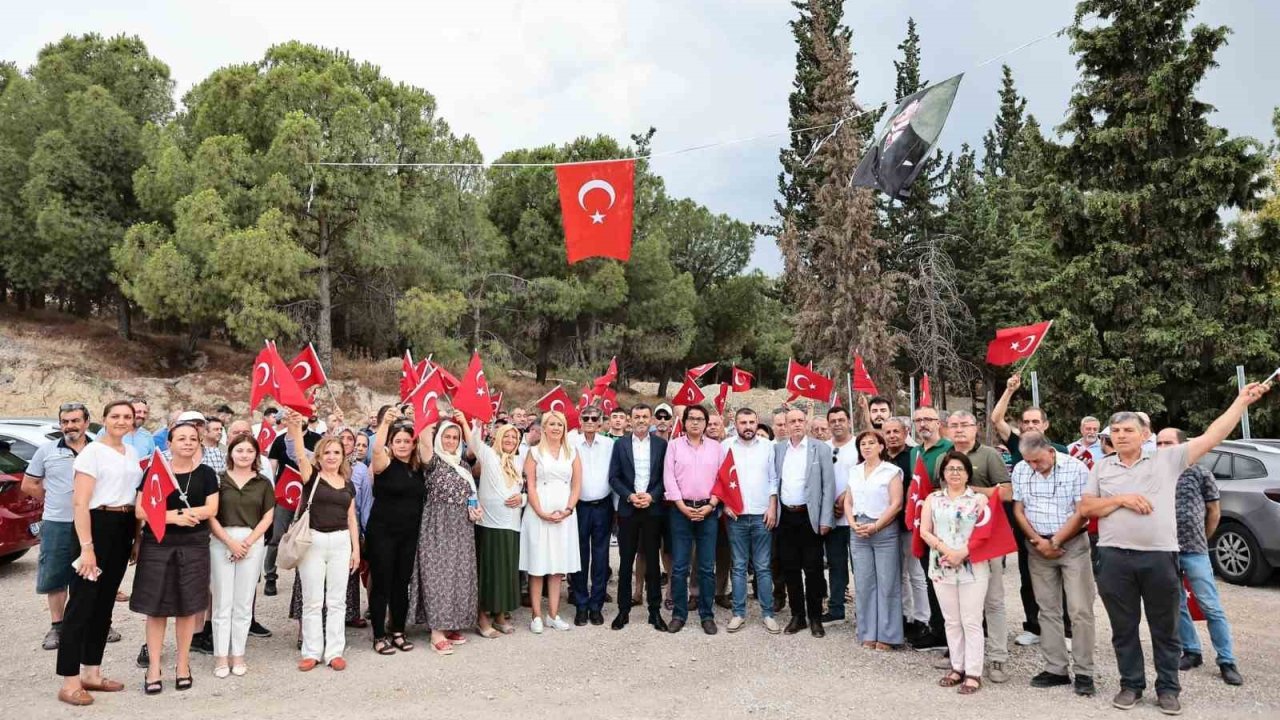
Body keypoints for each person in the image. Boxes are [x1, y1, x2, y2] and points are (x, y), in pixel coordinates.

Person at [1079, 383, 1268, 714]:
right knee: (1123, 629)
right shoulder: (1102, 467)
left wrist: (1240, 402)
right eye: (1117, 431)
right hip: (1113, 558)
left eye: (1128, 430)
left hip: (1159, 558)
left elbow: (1212, 436)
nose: (1121, 436)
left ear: (1144, 435)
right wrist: (1121, 499)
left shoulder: (1167, 460)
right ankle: (1130, 685)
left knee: (1165, 628)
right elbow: (1086, 508)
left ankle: (1168, 688)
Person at [53, 401, 142, 706]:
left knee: (104, 605)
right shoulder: (92, 453)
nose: (121, 421)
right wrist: (87, 548)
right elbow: (80, 503)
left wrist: (136, 537)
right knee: (81, 604)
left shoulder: (131, 453)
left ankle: (92, 672)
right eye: (115, 416)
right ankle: (69, 681)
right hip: (95, 526)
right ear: (103, 420)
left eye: (127, 417)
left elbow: (134, 498)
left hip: (123, 525)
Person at [130, 420, 218, 694]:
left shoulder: (206, 473)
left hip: (193, 545)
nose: (188, 443)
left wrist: (193, 515)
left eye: (193, 438)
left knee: (187, 606)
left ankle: (183, 664)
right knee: (156, 608)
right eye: (181, 438)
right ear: (169, 443)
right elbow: (141, 510)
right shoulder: (156, 471)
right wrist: (175, 517)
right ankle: (154, 667)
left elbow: (212, 507)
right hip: (158, 544)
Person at [23, 402, 117, 650]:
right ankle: (57, 627)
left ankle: (98, 622)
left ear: (87, 422)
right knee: (55, 574)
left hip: (96, 521)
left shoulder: (101, 449)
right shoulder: (47, 451)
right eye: (65, 421)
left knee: (95, 573)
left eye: (75, 420)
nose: (69, 426)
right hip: (58, 523)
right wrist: (54, 499)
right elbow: (29, 484)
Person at [1011, 431, 1097, 697]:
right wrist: (1038, 540)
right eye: (1029, 462)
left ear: (1049, 451)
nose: (1033, 467)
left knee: (1080, 609)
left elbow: (1082, 511)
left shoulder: (1076, 468)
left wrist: (1057, 540)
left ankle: (1084, 672)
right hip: (1038, 547)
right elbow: (1018, 509)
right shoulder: (1022, 469)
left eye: (1037, 461)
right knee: (1047, 610)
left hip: (1072, 545)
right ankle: (1056, 668)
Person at [1156, 428, 1243, 686]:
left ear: (1182, 446)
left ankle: (1227, 660)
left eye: (1168, 443)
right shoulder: (1155, 474)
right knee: (1176, 605)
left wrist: (1203, 538)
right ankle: (1191, 651)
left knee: (1210, 605)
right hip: (1165, 550)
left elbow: (1214, 511)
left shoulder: (1200, 473)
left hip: (1194, 549)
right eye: (1159, 443)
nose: (1162, 448)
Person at [991, 374, 1069, 647]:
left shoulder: (1060, 450)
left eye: (1036, 421)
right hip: (1024, 522)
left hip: (1059, 523)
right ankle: (1034, 627)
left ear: (1045, 425)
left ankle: (1066, 630)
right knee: (1028, 575)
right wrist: (1010, 390)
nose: (1031, 425)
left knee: (1062, 578)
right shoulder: (1017, 444)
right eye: (1026, 421)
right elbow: (996, 419)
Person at [287, 412, 360, 672]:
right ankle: (311, 651)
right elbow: (298, 454)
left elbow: (352, 518)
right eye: (327, 453)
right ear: (319, 456)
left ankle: (334, 652)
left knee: (337, 600)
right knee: (313, 600)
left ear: (343, 456)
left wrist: (356, 551)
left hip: (341, 542)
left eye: (336, 453)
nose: (331, 457)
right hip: (314, 541)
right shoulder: (311, 476)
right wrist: (295, 429)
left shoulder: (348, 484)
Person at [946, 410, 1013, 682]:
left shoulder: (989, 455)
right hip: (953, 541)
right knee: (958, 603)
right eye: (954, 426)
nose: (959, 430)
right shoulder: (944, 457)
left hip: (987, 539)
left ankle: (997, 657)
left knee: (993, 600)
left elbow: (1007, 492)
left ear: (976, 428)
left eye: (965, 425)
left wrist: (970, 489)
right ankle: (958, 657)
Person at [408, 412, 482, 655]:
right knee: (437, 576)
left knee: (458, 575)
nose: (450, 441)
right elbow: (425, 440)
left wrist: (475, 508)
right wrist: (428, 414)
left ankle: (451, 624)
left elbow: (470, 494)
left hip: (462, 527)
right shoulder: (433, 461)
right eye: (447, 436)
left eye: (455, 437)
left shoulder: (463, 465)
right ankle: (436, 631)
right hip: (437, 526)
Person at [921, 451, 991, 695]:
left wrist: (962, 552)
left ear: (968, 473)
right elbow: (925, 531)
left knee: (971, 620)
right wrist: (946, 550)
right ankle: (957, 667)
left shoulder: (979, 500)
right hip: (942, 565)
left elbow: (985, 532)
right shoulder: (933, 499)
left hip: (973, 566)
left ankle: (973, 672)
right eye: (950, 469)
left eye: (960, 469)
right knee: (951, 620)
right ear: (943, 473)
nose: (955, 473)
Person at [207, 434, 274, 678]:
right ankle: (221, 657)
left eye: (249, 451)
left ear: (256, 455)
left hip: (251, 542)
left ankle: (239, 654)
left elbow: (267, 516)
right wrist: (229, 542)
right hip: (221, 540)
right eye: (239, 450)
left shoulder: (263, 483)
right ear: (231, 452)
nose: (244, 455)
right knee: (222, 601)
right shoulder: (218, 480)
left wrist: (246, 542)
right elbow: (211, 514)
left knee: (244, 602)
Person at [365, 412, 425, 656]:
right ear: (391, 443)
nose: (402, 445)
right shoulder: (384, 464)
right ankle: (379, 635)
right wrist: (386, 424)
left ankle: (398, 631)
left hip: (408, 536)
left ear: (413, 444)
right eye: (397, 441)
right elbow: (376, 449)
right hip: (382, 534)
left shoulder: (418, 469)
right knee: (382, 584)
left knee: (402, 584)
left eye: (406, 441)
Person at [772, 408, 835, 637]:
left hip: (811, 517)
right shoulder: (778, 449)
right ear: (785, 425)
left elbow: (829, 486)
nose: (797, 424)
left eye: (800, 420)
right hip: (786, 517)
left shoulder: (821, 449)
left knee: (814, 569)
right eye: (792, 421)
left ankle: (815, 617)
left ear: (806, 422)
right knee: (790, 568)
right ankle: (797, 616)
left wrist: (826, 518)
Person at [519, 411, 582, 634]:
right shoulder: (534, 452)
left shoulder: (572, 452)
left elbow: (576, 486)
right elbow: (531, 485)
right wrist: (541, 512)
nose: (556, 428)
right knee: (538, 565)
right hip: (539, 513)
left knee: (557, 567)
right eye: (552, 424)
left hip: (564, 515)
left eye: (560, 424)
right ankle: (536, 615)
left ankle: (553, 614)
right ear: (544, 427)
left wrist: (567, 509)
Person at [608, 404, 669, 631]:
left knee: (653, 562)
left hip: (652, 510)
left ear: (650, 419)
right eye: (637, 417)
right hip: (628, 509)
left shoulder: (662, 445)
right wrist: (630, 496)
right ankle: (623, 610)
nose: (641, 420)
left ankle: (655, 611)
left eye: (645, 416)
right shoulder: (621, 445)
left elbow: (666, 477)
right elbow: (613, 478)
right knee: (626, 561)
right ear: (629, 420)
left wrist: (652, 496)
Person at [663, 404, 723, 634]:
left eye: (700, 419)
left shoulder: (716, 448)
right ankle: (679, 613)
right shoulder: (674, 446)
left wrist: (711, 505)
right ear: (685, 422)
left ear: (706, 423)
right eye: (691, 419)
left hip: (708, 511)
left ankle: (707, 615)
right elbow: (669, 478)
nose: (695, 422)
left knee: (707, 567)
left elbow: (722, 480)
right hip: (681, 511)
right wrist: (681, 505)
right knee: (679, 567)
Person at [720, 408, 779, 633]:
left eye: (751, 422)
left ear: (757, 423)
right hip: (736, 515)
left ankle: (767, 613)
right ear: (735, 424)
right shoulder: (726, 447)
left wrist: (772, 506)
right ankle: (738, 613)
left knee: (763, 567)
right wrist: (725, 504)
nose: (748, 426)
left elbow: (773, 479)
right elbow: (721, 480)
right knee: (738, 566)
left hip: (762, 513)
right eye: (743, 422)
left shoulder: (768, 447)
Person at [846, 429, 904, 649]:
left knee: (887, 583)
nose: (867, 447)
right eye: (863, 444)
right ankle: (867, 632)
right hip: (859, 529)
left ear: (881, 447)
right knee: (864, 583)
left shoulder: (891, 471)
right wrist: (852, 523)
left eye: (872, 443)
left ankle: (887, 635)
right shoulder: (854, 471)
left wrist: (877, 526)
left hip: (884, 530)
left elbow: (896, 503)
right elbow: (848, 501)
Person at [469, 422, 525, 637]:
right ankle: (482, 617)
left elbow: (525, 489)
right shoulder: (490, 456)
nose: (510, 441)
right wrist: (475, 423)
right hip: (490, 524)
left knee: (506, 571)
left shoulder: (517, 461)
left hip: (511, 524)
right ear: (498, 438)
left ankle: (500, 614)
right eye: (506, 437)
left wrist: (523, 498)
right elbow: (474, 440)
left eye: (514, 437)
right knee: (489, 571)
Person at [909, 406, 953, 652]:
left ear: (939, 423)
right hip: (922, 525)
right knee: (930, 578)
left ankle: (952, 633)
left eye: (928, 419)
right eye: (919, 420)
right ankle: (937, 630)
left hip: (945, 526)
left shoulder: (949, 449)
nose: (923, 424)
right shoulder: (914, 451)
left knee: (948, 580)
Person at [884, 416, 928, 641]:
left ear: (905, 432)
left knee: (916, 573)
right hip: (885, 526)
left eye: (896, 431)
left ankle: (923, 619)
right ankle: (905, 615)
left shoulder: (913, 455)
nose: (892, 436)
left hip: (909, 523)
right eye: (888, 432)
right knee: (897, 574)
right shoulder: (880, 457)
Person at [571, 407, 615, 626]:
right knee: (579, 555)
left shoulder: (609, 445)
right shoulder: (570, 444)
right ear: (580, 421)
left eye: (594, 418)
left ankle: (596, 605)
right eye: (585, 418)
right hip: (579, 506)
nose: (589, 421)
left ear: (600, 422)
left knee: (601, 556)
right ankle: (581, 603)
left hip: (603, 506)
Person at [823, 406, 856, 626]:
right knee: (836, 565)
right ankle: (836, 609)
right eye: (833, 420)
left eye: (841, 419)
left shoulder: (859, 446)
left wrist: (846, 497)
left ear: (849, 421)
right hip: (832, 518)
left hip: (856, 518)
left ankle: (865, 612)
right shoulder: (823, 448)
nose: (837, 424)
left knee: (860, 567)